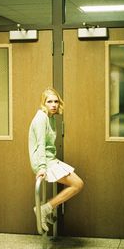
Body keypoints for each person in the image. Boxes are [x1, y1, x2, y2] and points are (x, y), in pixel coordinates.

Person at [28, 87, 84, 231]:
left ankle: (46, 208)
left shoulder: (50, 118)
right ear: (43, 103)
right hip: (44, 162)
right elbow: (40, 144)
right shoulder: (41, 118)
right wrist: (41, 168)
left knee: (78, 184)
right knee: (77, 184)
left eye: (56, 101)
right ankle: (45, 209)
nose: (53, 105)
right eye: (49, 102)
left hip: (49, 159)